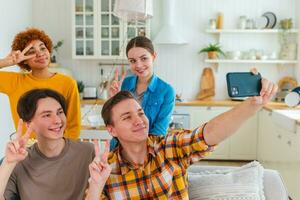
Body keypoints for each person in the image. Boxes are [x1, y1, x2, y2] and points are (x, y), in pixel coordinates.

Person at [93, 72, 277, 199]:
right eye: (127, 117)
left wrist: (252, 105)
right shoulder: (106, 169)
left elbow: (210, 133)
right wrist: (96, 184)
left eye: (141, 113)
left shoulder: (168, 148)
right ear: (112, 130)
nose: (139, 120)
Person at [0, 88, 111, 200]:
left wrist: (96, 186)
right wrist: (8, 163)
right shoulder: (18, 162)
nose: (58, 120)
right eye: (47, 115)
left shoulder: (88, 152)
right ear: (29, 124)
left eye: (60, 112)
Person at [0, 28, 80, 140]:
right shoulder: (15, 82)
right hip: (26, 150)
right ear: (24, 60)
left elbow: (73, 126)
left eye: (43, 48)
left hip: (57, 150)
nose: (40, 53)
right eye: (31, 52)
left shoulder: (67, 83)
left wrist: (63, 151)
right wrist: (6, 62)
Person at [109, 36, 176, 148]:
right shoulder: (124, 84)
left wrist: (136, 151)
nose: (138, 65)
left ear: (154, 56)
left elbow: (159, 131)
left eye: (144, 58)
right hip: (118, 148)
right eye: (133, 61)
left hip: (147, 152)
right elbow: (114, 123)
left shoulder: (166, 91)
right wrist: (113, 100)